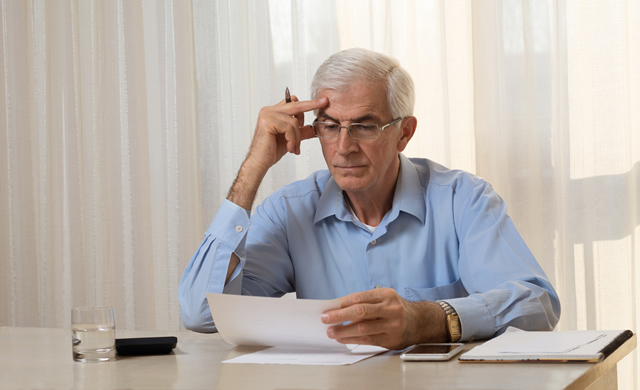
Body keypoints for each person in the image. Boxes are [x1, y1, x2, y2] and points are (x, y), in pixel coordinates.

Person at [178, 48, 560, 350]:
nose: (344, 148)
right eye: (329, 126)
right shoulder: (289, 210)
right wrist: (254, 167)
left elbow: (537, 304)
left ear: (404, 133)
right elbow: (200, 313)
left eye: (364, 126)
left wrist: (428, 319)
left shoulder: (464, 199)